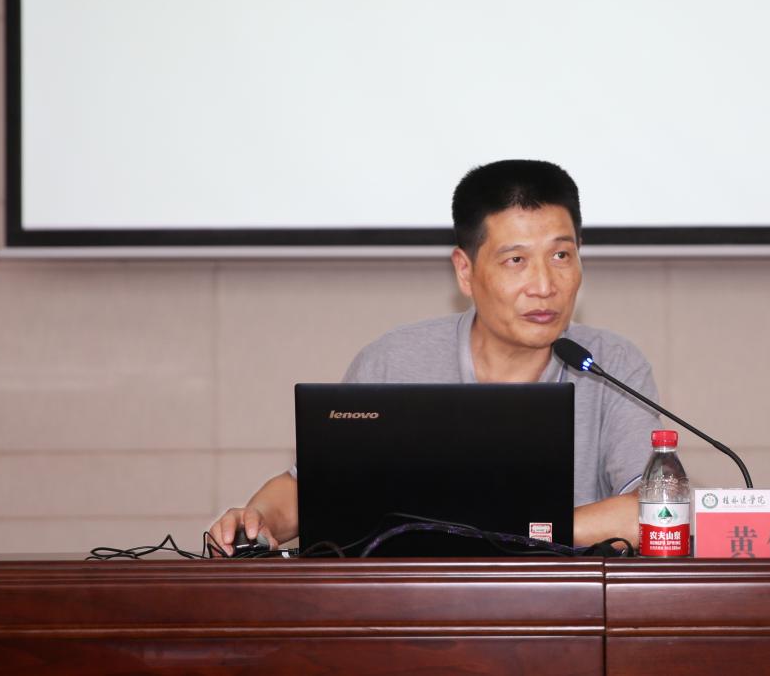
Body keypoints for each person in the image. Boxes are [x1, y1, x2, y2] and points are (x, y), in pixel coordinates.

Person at [209, 160, 662, 555]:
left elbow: (653, 508)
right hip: (410, 609)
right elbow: (309, 491)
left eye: (561, 255)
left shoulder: (611, 366)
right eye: (516, 260)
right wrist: (257, 520)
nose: (544, 286)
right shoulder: (393, 361)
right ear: (465, 270)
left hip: (562, 608)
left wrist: (498, 535)